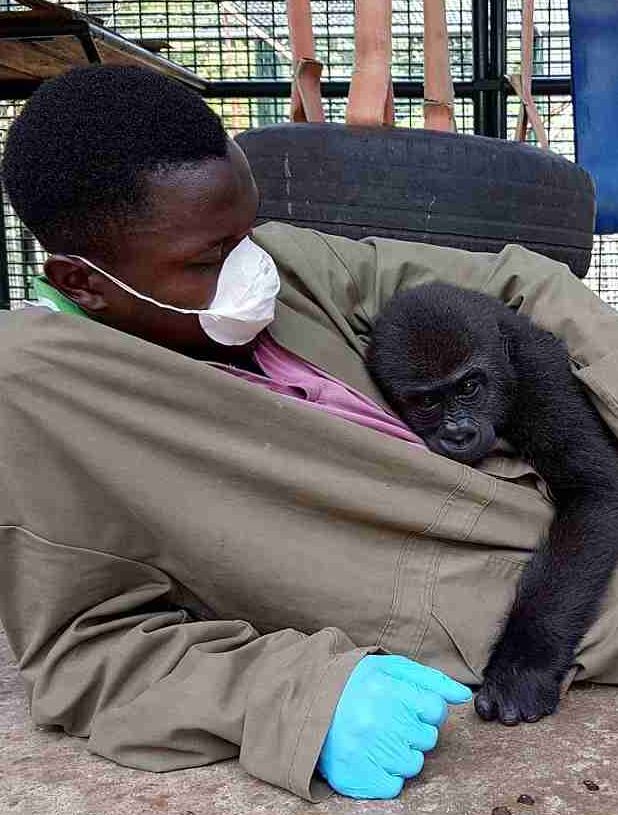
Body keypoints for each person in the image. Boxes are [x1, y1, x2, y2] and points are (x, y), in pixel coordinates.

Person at [1, 65, 618, 803]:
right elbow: (85, 649)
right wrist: (294, 698)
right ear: (82, 283)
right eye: (207, 260)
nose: (253, 270)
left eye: (247, 231)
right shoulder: (40, 388)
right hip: (499, 604)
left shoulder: (285, 262)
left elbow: (521, 279)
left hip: (573, 495)